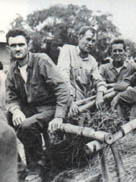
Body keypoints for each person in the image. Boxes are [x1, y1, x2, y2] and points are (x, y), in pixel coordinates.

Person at [5, 28, 70, 182]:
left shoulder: (42, 60)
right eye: (13, 46)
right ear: (8, 49)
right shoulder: (12, 70)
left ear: (28, 45)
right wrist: (15, 111)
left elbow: (62, 88)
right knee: (5, 124)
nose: (18, 49)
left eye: (21, 44)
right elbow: (11, 96)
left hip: (51, 108)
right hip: (32, 110)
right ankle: (19, 168)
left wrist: (59, 116)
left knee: (27, 125)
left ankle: (37, 167)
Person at [57, 26, 106, 119]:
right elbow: (63, 77)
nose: (90, 43)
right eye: (88, 39)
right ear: (79, 37)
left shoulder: (92, 61)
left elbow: (99, 80)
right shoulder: (67, 50)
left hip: (82, 106)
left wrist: (100, 94)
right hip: (64, 102)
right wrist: (70, 101)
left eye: (93, 41)